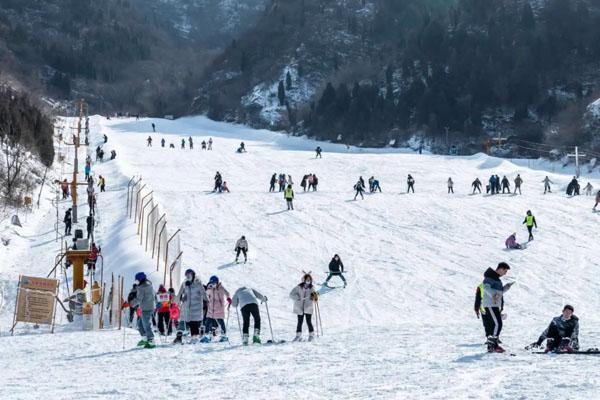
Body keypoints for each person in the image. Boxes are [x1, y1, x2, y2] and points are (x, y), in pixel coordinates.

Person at [480, 262, 513, 352]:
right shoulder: (490, 277)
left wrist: (506, 287)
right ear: (500, 269)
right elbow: (486, 288)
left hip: (494, 305)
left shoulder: (497, 279)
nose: (505, 273)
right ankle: (493, 344)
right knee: (498, 324)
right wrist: (493, 295)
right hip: (490, 305)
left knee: (494, 324)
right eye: (505, 271)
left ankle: (492, 346)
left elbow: (498, 293)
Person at [173, 269, 208, 344]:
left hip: (196, 307)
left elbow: (203, 293)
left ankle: (194, 338)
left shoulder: (198, 283)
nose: (188, 276)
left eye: (189, 274)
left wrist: (207, 300)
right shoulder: (184, 284)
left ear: (193, 275)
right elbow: (180, 294)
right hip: (186, 307)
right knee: (182, 321)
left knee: (193, 323)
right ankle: (179, 338)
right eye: (186, 275)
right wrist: (177, 301)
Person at [289, 273, 319, 342]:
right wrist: (297, 297)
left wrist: (315, 297)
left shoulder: (312, 287)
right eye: (307, 279)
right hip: (299, 307)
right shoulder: (298, 287)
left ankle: (311, 335)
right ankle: (298, 336)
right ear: (304, 280)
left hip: (308, 307)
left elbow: (315, 298)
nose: (308, 280)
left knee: (309, 321)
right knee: (300, 322)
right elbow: (291, 294)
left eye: (309, 279)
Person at [202, 276, 232, 343]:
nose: (213, 284)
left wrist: (228, 298)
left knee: (221, 322)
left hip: (219, 309)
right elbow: (206, 294)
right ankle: (206, 336)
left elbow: (227, 293)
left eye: (214, 283)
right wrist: (208, 288)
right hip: (211, 309)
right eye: (212, 283)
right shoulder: (210, 288)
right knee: (207, 322)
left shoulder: (221, 288)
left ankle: (224, 336)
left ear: (217, 282)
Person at [132, 272, 156, 348]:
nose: (137, 282)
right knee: (140, 324)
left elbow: (139, 299)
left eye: (137, 280)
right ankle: (145, 339)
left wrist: (132, 303)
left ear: (141, 279)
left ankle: (151, 340)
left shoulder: (142, 287)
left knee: (146, 324)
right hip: (149, 307)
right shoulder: (149, 285)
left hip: (146, 308)